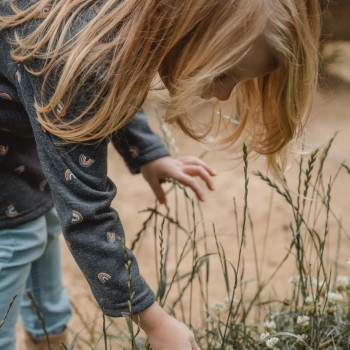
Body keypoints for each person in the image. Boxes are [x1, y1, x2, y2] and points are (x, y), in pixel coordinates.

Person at [0, 0, 320, 349]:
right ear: (182, 25)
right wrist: (155, 321)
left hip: (21, 155)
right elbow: (86, 215)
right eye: (223, 73)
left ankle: (47, 338)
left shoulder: (120, 21)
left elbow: (109, 85)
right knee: (19, 240)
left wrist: (147, 152)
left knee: (39, 233)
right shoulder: (72, 62)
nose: (224, 94)